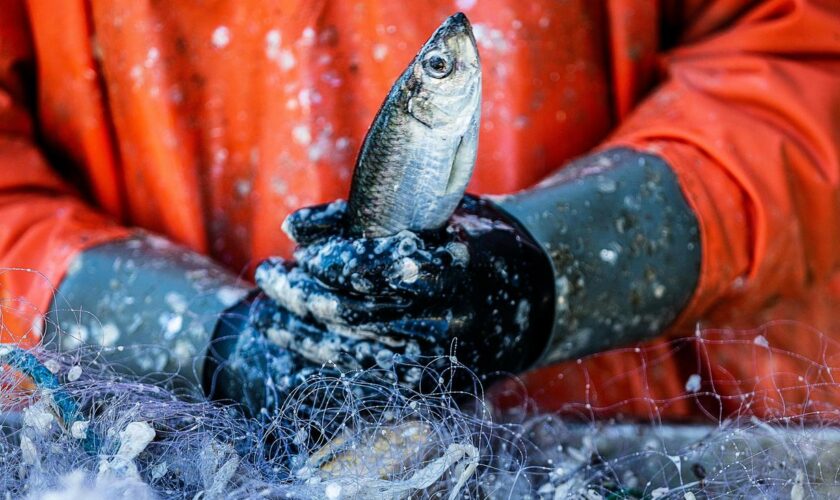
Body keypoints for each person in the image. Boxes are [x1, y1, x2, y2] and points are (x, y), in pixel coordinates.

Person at [1, 0, 839, 421]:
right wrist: (213, 341)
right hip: (161, 455)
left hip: (635, 441)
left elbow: (798, 62)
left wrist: (548, 267)